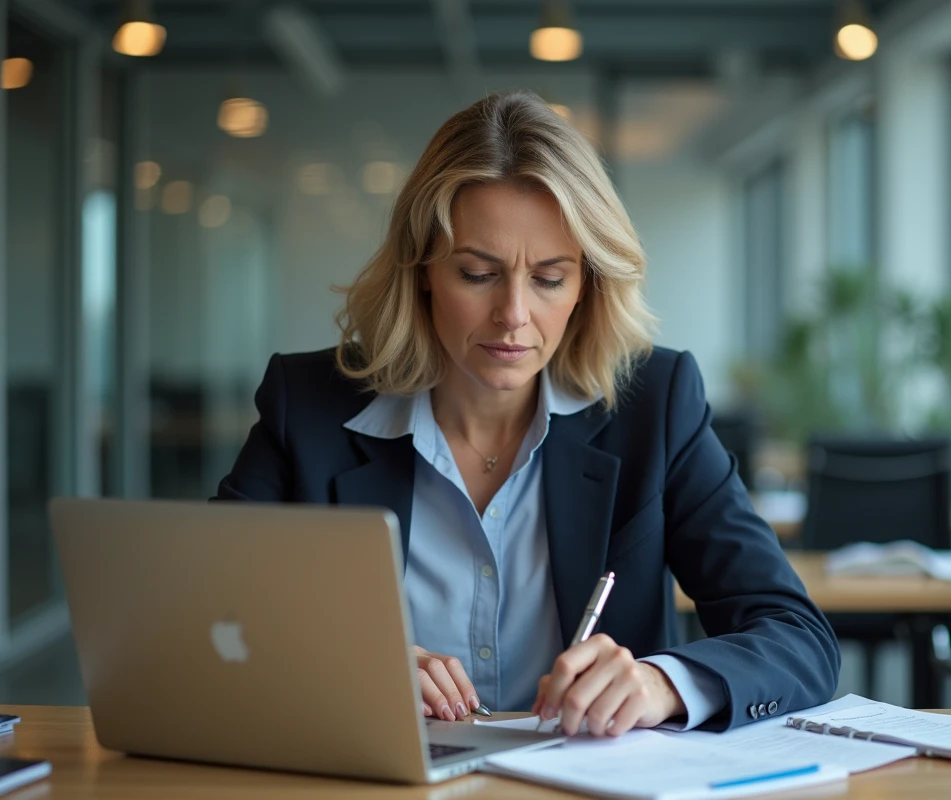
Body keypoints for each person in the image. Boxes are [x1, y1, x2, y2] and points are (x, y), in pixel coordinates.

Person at [217, 91, 839, 737]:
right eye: (477, 273)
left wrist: (661, 684)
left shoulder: (654, 404)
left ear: (587, 284)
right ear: (423, 269)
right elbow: (204, 610)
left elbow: (798, 638)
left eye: (548, 278)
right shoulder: (308, 405)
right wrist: (346, 665)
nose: (513, 315)